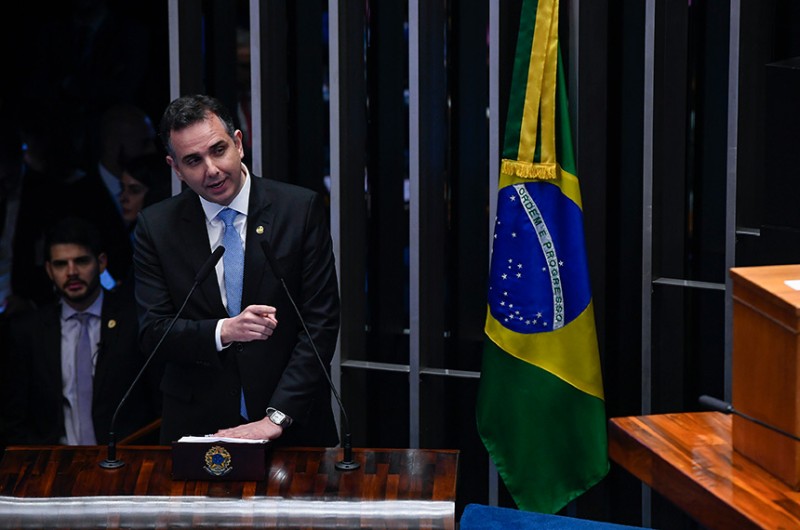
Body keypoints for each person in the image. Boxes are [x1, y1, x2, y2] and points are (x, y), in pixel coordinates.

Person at [133, 94, 340, 446]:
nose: (211, 170)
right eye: (193, 160)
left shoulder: (298, 209)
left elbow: (320, 322)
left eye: (218, 150)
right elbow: (153, 333)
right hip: (199, 422)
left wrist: (277, 416)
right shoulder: (156, 227)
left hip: (291, 422)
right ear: (175, 168)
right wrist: (225, 330)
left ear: (239, 144)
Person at [0, 217, 159, 446]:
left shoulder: (135, 321)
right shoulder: (27, 333)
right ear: (48, 269)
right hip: (54, 469)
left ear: (101, 263)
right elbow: (13, 419)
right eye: (61, 264)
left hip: (128, 463)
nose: (72, 272)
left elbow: (157, 403)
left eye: (81, 261)